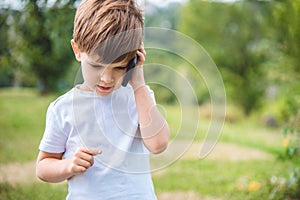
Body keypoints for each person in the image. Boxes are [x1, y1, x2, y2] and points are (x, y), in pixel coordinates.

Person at [35, 0, 170, 199]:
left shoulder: (138, 98)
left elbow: (158, 144)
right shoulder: (63, 108)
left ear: (133, 60)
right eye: (97, 66)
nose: (107, 78)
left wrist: (138, 82)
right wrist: (68, 165)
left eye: (119, 68)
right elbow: (43, 167)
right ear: (77, 50)